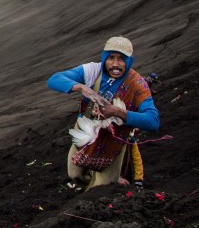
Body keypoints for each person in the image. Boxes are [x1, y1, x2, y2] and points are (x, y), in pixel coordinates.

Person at [47, 36, 159, 190]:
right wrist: (81, 87)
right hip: (85, 132)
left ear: (129, 61)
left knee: (101, 188)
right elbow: (54, 79)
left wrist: (118, 112)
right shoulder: (93, 71)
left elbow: (153, 121)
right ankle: (89, 187)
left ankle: (94, 195)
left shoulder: (138, 85)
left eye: (121, 59)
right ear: (104, 58)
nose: (115, 64)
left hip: (114, 141)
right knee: (75, 175)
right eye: (111, 57)